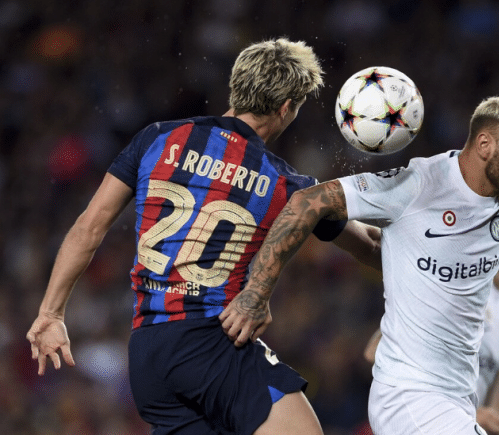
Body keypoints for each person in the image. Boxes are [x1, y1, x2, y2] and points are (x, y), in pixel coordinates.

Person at [219, 95, 499, 434]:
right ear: (485, 145)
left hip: (457, 399)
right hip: (408, 396)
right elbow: (308, 201)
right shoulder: (418, 185)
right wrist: (256, 292)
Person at [26, 38, 381, 435]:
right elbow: (370, 246)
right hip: (212, 343)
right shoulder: (286, 185)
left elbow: (88, 228)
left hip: (148, 354)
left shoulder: (156, 138)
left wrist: (51, 313)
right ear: (286, 108)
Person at [363, 204, 499, 435]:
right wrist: (469, 414)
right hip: (420, 420)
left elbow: (497, 408)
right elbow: (375, 352)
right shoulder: (453, 281)